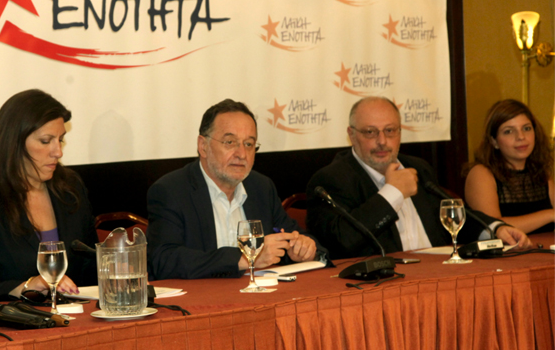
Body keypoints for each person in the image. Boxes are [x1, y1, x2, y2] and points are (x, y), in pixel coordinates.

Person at [306, 96, 532, 259]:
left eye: (390, 130)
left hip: (438, 273)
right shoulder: (331, 180)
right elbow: (342, 242)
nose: (382, 141)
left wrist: (494, 229)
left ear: (400, 132)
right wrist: (393, 193)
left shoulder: (417, 167)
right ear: (352, 135)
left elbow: (450, 213)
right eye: (370, 132)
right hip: (383, 287)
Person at [147, 99, 326, 280]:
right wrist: (244, 258)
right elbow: (163, 260)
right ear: (203, 146)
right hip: (202, 296)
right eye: (230, 142)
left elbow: (291, 237)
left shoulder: (261, 188)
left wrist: (304, 250)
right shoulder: (171, 191)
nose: (241, 154)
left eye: (248, 144)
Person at [0, 89, 97, 303]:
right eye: (45, 141)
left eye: (60, 140)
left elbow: (91, 265)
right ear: (14, 143)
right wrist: (24, 287)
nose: (58, 152)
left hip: (78, 315)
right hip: (14, 319)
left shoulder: (70, 187)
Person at [464, 99, 554, 234]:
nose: (521, 137)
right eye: (508, 131)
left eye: (526, 128)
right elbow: (492, 227)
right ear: (494, 141)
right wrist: (550, 215)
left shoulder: (540, 172)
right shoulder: (481, 173)